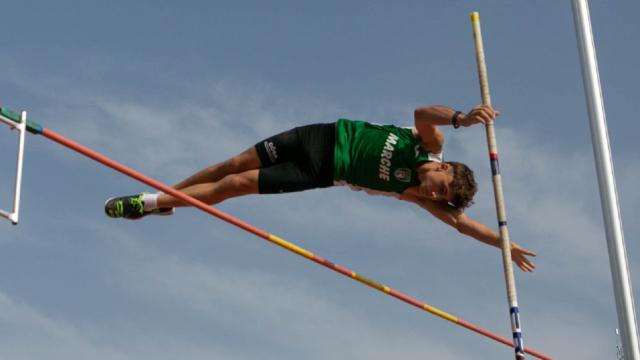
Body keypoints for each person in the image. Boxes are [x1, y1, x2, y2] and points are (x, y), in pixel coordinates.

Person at [105, 104, 536, 272]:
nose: (437, 197)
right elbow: (424, 111)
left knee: (234, 184)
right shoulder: (432, 143)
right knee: (233, 163)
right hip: (319, 136)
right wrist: (460, 118)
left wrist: (506, 244)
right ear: (448, 170)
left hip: (320, 171)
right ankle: (166, 198)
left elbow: (463, 226)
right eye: (443, 189)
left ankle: (148, 202)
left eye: (441, 200)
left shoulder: (412, 193)